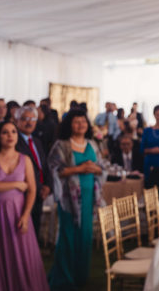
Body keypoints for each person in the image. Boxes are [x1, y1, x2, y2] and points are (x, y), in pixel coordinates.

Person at [0, 120, 49, 291]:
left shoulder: (25, 160)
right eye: (5, 132)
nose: (10, 136)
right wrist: (16, 185)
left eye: (13, 132)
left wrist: (25, 216)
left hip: (18, 212)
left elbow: (31, 190)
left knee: (20, 255)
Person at [47, 110, 104, 291]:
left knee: (85, 236)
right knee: (68, 236)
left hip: (88, 198)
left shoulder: (92, 144)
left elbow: (101, 168)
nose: (80, 125)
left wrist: (94, 168)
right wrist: (80, 168)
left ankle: (81, 276)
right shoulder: (61, 145)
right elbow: (56, 170)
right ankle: (64, 277)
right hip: (68, 199)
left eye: (83, 122)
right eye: (76, 122)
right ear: (69, 125)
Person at [15, 105, 52, 234]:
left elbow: (44, 166)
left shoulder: (37, 141)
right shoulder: (14, 141)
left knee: (35, 230)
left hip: (39, 193)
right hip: (22, 193)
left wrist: (47, 185)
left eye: (33, 119)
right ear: (17, 120)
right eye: (25, 118)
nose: (29, 122)